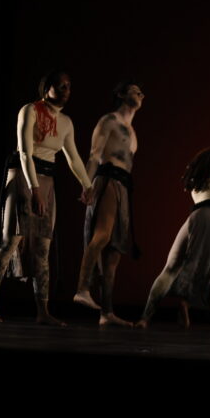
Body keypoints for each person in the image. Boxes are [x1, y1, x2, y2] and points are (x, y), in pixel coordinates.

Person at [136, 93, 210, 329]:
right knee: (201, 270)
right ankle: (184, 301)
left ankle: (145, 317)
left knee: (172, 267)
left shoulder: (197, 186)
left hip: (202, 217)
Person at [0, 70, 93, 325]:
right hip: (25, 176)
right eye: (60, 86)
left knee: (42, 248)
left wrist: (87, 184)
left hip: (46, 181)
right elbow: (25, 152)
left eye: (68, 86)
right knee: (10, 243)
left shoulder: (66, 122)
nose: (65, 90)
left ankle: (43, 312)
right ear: (47, 88)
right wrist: (34, 188)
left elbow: (73, 157)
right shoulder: (29, 111)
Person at [73, 81, 145, 326]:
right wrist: (87, 184)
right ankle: (82, 288)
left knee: (114, 253)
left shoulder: (132, 130)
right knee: (102, 236)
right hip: (109, 179)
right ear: (122, 94)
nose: (141, 94)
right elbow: (94, 155)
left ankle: (106, 311)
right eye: (136, 91)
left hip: (124, 186)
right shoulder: (109, 121)